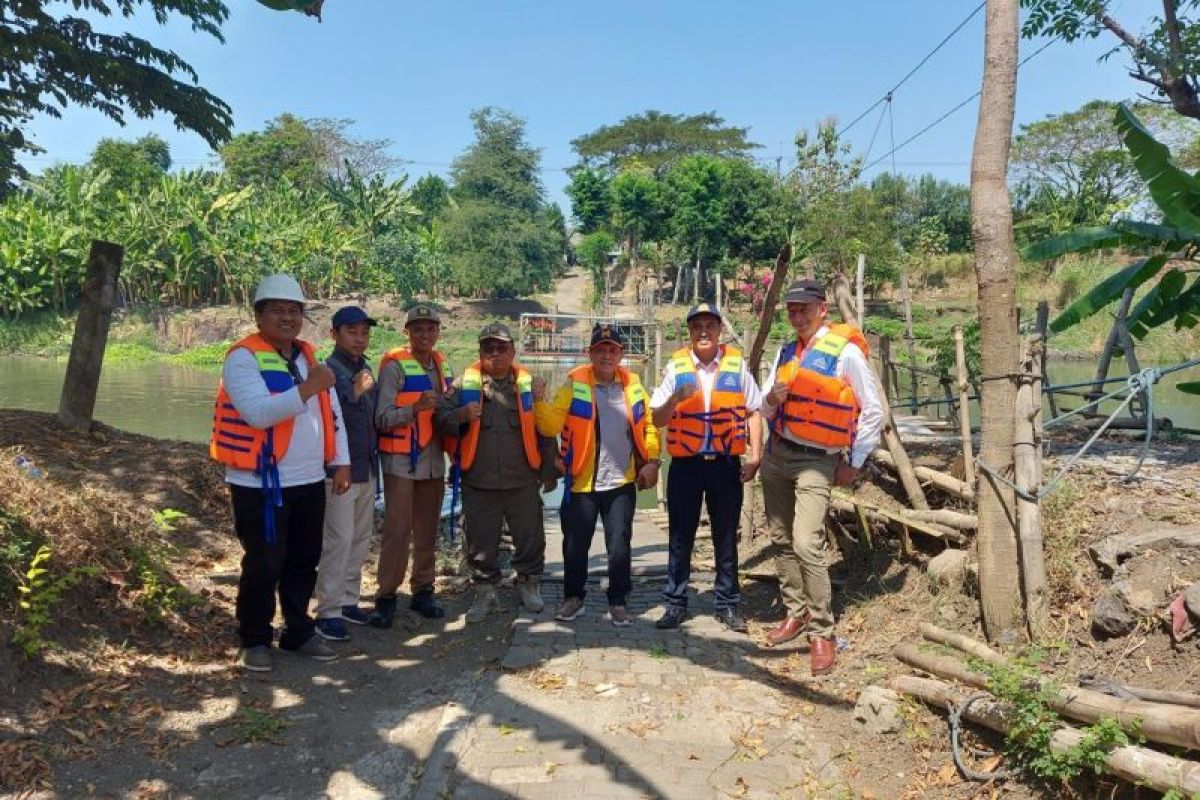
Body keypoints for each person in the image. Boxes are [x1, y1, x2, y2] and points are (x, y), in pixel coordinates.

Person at [210, 274, 350, 672]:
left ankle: (297, 630)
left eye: (294, 311)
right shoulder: (242, 358)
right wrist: (309, 388)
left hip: (308, 478)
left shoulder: (306, 356)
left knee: (304, 560)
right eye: (278, 310)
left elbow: (332, 413)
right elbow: (257, 414)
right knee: (264, 562)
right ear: (259, 315)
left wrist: (341, 460)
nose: (287, 318)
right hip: (260, 484)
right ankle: (253, 638)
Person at [759, 279, 883, 675]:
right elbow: (763, 405)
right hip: (778, 454)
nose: (797, 316)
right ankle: (794, 612)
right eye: (791, 310)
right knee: (779, 538)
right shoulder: (785, 351)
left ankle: (822, 632)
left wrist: (855, 460)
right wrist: (772, 399)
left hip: (818, 460)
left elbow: (874, 411)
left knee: (806, 543)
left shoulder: (845, 353)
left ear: (822, 309)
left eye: (804, 309)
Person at [534, 323, 660, 626]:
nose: (606, 355)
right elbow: (550, 426)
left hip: (621, 481)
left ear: (621, 354)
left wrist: (653, 460)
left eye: (612, 350)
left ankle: (618, 601)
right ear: (590, 353)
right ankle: (573, 598)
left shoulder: (633, 386)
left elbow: (648, 427)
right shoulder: (574, 384)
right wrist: (539, 399)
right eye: (600, 350)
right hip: (582, 480)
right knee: (576, 544)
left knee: (619, 544)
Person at [650, 303, 763, 632]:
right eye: (696, 326)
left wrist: (756, 455)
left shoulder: (736, 365)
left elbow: (754, 411)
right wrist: (674, 400)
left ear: (719, 331)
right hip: (686, 464)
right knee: (680, 536)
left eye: (709, 326)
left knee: (726, 536)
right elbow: (657, 418)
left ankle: (727, 605)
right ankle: (675, 603)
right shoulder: (676, 368)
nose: (703, 332)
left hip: (725, 464)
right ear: (689, 332)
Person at [436, 322, 557, 623]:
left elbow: (545, 429)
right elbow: (439, 419)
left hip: (523, 479)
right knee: (480, 540)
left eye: (501, 348)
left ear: (513, 351)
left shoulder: (530, 385)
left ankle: (529, 583)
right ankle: (484, 591)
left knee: (530, 537)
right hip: (479, 480)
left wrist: (550, 470)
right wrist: (460, 416)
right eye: (488, 348)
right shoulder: (464, 386)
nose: (495, 353)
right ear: (480, 352)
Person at [369, 305, 458, 627]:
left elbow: (448, 406)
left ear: (437, 332)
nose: (425, 334)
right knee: (396, 530)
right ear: (407, 332)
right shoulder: (394, 367)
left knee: (427, 529)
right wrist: (415, 409)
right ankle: (386, 596)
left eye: (430, 328)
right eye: (418, 329)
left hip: (433, 460)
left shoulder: (441, 363)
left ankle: (423, 589)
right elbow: (382, 418)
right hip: (401, 460)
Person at [312, 306, 379, 642]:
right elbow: (327, 420)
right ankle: (329, 610)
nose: (360, 338)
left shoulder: (365, 368)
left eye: (364, 332)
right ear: (334, 335)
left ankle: (350, 600)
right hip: (339, 469)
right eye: (352, 332)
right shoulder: (325, 371)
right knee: (337, 539)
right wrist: (353, 393)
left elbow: (374, 418)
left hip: (366, 466)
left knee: (360, 537)